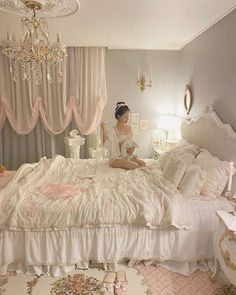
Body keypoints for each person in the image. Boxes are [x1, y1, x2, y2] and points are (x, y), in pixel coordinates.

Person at [101, 102, 146, 170]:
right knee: (134, 165)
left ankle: (127, 163)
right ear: (119, 116)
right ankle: (126, 164)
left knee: (143, 163)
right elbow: (106, 145)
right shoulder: (113, 130)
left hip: (126, 156)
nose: (127, 119)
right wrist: (104, 129)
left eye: (128, 116)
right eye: (125, 116)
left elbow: (129, 144)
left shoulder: (129, 128)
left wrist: (131, 149)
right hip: (116, 158)